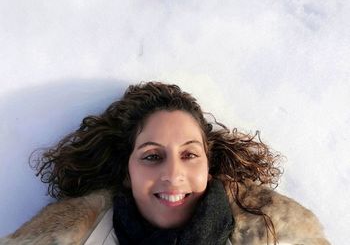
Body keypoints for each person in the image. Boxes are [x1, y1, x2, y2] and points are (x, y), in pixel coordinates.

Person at [0, 81, 330, 245]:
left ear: (208, 166)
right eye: (152, 157)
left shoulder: (278, 236)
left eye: (189, 155)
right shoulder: (78, 238)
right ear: (127, 172)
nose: (173, 175)